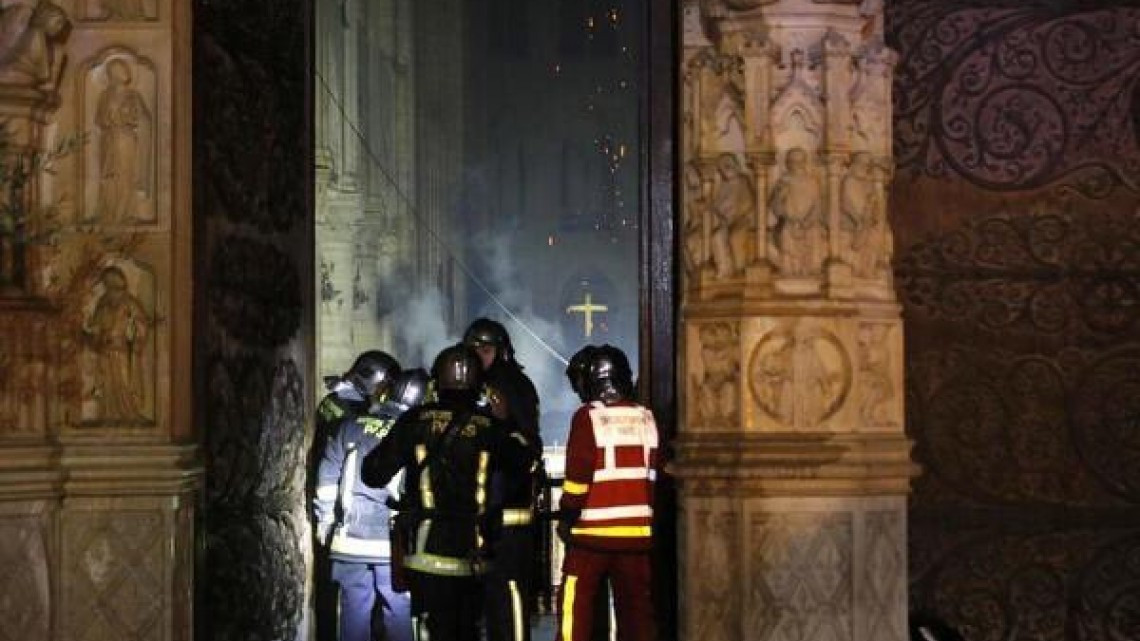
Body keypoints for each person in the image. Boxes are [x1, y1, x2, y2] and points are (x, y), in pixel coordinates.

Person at [361, 344, 536, 641]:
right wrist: (506, 422)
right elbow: (524, 464)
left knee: (431, 632)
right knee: (467, 631)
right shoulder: (489, 428)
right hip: (474, 552)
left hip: (424, 552)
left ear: (436, 383)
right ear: (479, 385)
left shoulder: (414, 421)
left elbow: (373, 474)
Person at [313, 366, 427, 641]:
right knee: (398, 609)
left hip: (348, 540)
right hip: (393, 544)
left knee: (354, 611)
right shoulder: (414, 434)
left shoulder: (349, 426)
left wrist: (326, 522)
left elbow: (326, 479)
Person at [556, 345, 659, 641]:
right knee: (637, 611)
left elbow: (577, 479)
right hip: (637, 536)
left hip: (592, 536)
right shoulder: (646, 418)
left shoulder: (587, 417)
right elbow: (653, 478)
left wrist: (567, 517)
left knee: (576, 606)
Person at [462, 318, 543, 641]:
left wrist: (501, 425)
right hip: (473, 514)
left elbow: (528, 446)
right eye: (474, 350)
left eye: (486, 349)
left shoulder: (514, 386)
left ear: (502, 351)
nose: (479, 356)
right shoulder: (466, 388)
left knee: (507, 598)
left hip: (508, 516)